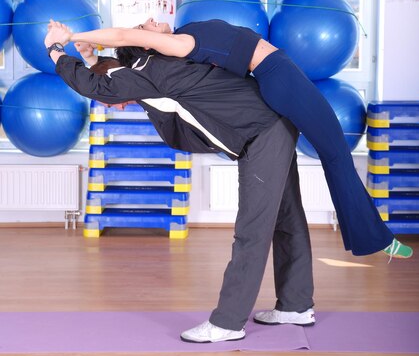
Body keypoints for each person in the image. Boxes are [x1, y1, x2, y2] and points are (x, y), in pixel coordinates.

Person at [48, 18, 412, 260]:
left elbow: (115, 59)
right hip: (278, 75)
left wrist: (85, 50)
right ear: (152, 42)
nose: (150, 21)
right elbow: (124, 42)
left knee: (334, 156)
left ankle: (372, 238)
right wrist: (67, 41)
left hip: (274, 77)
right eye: (146, 26)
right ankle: (375, 239)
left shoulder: (184, 36)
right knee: (335, 154)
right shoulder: (179, 44)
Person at [44, 26, 314, 343]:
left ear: (120, 75)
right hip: (274, 125)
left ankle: (228, 322)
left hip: (263, 135)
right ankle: (295, 305)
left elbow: (95, 86)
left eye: (114, 100)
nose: (116, 105)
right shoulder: (153, 67)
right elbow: (106, 77)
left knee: (251, 230)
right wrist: (89, 55)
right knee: (287, 217)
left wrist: (56, 49)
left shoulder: (146, 74)